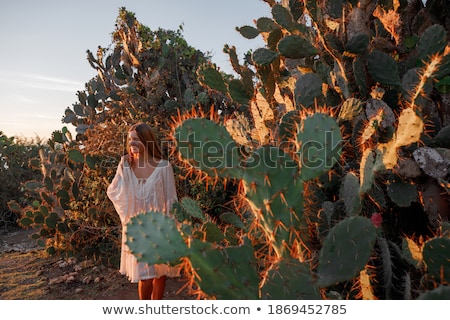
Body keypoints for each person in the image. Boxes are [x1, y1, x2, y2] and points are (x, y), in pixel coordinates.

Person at [106, 122, 180, 300]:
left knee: (160, 273)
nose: (132, 143)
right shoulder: (125, 165)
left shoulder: (163, 166)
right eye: (130, 139)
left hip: (160, 227)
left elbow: (171, 199)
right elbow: (113, 191)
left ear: (147, 141)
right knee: (145, 276)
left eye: (137, 139)